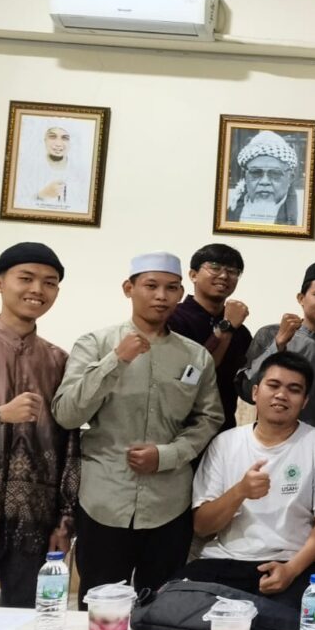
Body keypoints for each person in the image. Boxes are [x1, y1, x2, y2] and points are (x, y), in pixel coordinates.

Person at [53, 252, 224, 599]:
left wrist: (168, 455)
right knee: (100, 605)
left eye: (171, 288)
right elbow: (67, 414)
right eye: (151, 286)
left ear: (181, 293)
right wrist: (116, 360)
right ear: (128, 288)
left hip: (169, 501)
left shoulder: (196, 356)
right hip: (104, 497)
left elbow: (209, 418)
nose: (161, 296)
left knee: (159, 605)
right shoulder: (95, 344)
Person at [0, 243, 79, 607]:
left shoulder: (59, 361)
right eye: (26, 278)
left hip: (34, 521)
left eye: (50, 282)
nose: (38, 290)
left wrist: (65, 520)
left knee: (26, 622)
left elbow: (70, 446)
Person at [181, 352, 315, 605]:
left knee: (304, 621)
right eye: (273, 385)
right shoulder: (225, 443)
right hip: (227, 560)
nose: (281, 395)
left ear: (305, 401)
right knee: (180, 609)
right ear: (255, 392)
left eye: (294, 389)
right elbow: (202, 526)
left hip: (296, 562)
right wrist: (240, 491)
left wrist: (290, 570)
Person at [239, 260, 315, 451]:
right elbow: (247, 391)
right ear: (301, 298)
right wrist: (279, 343)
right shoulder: (270, 335)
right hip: (276, 447)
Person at [168, 244, 252, 433]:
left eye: (232, 271)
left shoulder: (241, 331)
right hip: (178, 429)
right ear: (193, 275)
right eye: (214, 267)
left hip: (223, 430)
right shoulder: (174, 319)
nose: (224, 276)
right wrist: (227, 327)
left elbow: (249, 385)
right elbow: (194, 376)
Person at [226, 130, 301, 226]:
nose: (264, 181)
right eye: (256, 173)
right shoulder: (231, 213)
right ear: (245, 176)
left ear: (290, 178)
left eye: (275, 174)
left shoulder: (303, 218)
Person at [13, 123, 91, 213]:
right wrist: (42, 195)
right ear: (44, 140)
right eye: (52, 137)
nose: (58, 144)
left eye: (65, 138)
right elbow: (18, 205)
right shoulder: (29, 169)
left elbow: (84, 207)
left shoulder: (81, 172)